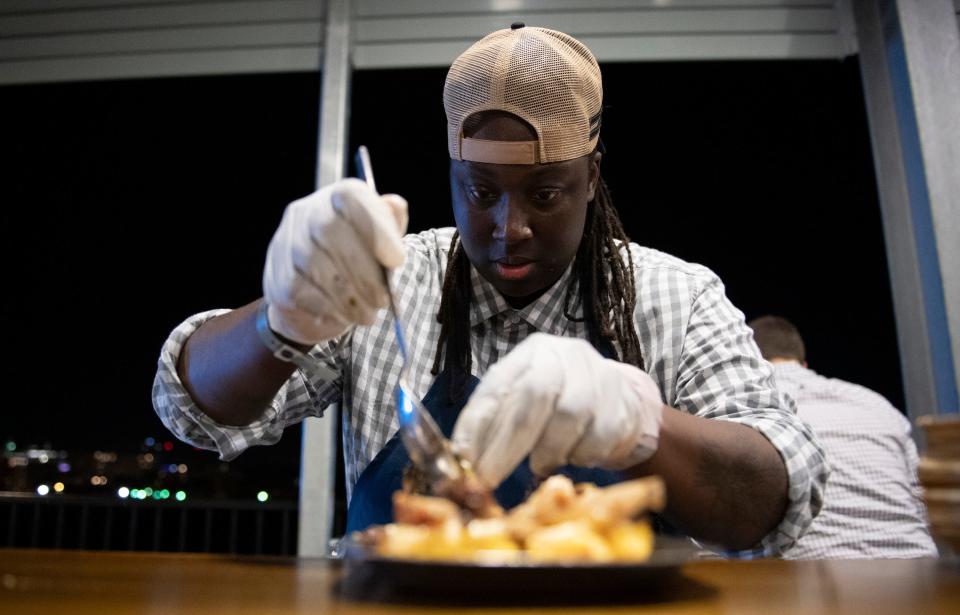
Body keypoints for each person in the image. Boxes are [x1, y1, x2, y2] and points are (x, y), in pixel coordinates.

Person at [153, 25, 826, 557]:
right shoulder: (387, 283)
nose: (511, 228)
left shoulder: (677, 298)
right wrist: (284, 318)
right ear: (452, 175)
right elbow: (190, 409)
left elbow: (778, 498)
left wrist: (642, 424)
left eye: (545, 193)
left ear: (591, 178)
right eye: (480, 193)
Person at [748, 315, 937, 558]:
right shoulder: (876, 404)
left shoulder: (753, 412)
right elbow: (922, 502)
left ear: (750, 365)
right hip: (922, 575)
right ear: (803, 364)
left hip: (814, 586)